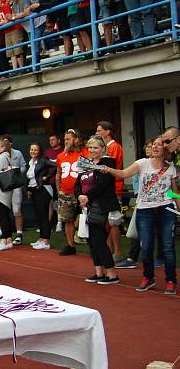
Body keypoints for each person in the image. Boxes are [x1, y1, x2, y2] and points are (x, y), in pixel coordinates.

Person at [101, 138, 178, 295]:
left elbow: (173, 192)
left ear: (166, 149)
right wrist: (108, 169)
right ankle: (148, 277)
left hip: (166, 210)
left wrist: (173, 198)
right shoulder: (142, 163)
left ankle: (171, 280)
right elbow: (123, 173)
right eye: (152, 145)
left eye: (159, 145)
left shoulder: (171, 168)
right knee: (147, 246)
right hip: (145, 210)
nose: (155, 147)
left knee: (168, 247)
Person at [75, 136, 120, 285]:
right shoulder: (85, 164)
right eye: (90, 148)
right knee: (92, 240)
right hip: (87, 206)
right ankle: (99, 272)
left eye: (96, 148)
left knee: (98, 239)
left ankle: (112, 274)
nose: (92, 150)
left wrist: (87, 197)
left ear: (103, 149)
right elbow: (77, 184)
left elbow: (103, 184)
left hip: (103, 206)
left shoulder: (108, 162)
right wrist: (80, 196)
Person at [96, 121, 125, 261]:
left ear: (107, 132)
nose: (97, 133)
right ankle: (109, 250)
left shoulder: (114, 147)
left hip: (114, 187)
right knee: (106, 222)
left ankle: (117, 252)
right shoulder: (105, 147)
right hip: (105, 188)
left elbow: (111, 166)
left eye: (99, 130)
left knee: (114, 221)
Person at [0, 135, 26, 245]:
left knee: (16, 210)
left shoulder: (17, 153)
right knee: (3, 211)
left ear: (10, 144)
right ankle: (4, 234)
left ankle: (19, 234)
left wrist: (15, 172)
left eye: (5, 143)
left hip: (15, 185)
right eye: (1, 144)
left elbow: (23, 166)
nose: (3, 146)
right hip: (2, 186)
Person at [56, 129, 84, 256]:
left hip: (82, 192)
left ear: (76, 139)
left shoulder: (84, 154)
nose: (65, 142)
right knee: (68, 219)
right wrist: (59, 190)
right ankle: (70, 244)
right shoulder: (61, 156)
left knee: (87, 217)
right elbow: (58, 174)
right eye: (65, 139)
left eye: (68, 139)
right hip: (65, 192)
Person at [26, 142, 56, 250]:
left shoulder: (43, 160)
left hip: (43, 190)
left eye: (35, 150)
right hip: (34, 190)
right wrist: (29, 189)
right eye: (31, 149)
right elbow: (31, 178)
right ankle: (41, 238)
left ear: (40, 151)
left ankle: (46, 241)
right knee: (39, 215)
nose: (33, 152)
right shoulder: (31, 162)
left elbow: (55, 166)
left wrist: (46, 177)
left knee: (43, 216)